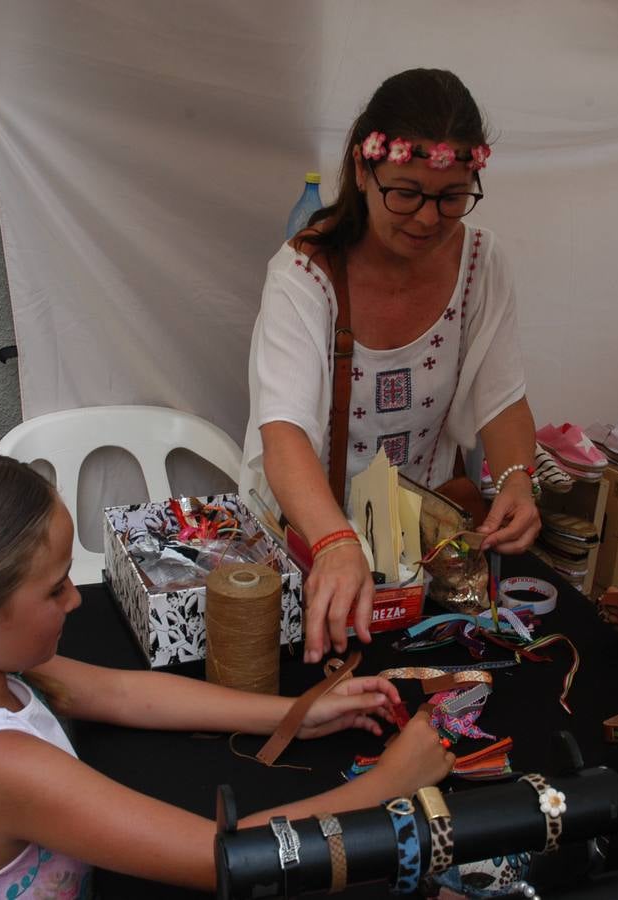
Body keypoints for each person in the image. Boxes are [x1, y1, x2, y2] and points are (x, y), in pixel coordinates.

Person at [0, 447, 453, 897]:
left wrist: (298, 712)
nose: (76, 601)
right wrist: (389, 785)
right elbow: (226, 853)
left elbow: (118, 692)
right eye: (56, 587)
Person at [242, 68, 541, 664]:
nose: (428, 218)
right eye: (405, 192)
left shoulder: (481, 261)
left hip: (416, 543)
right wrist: (334, 542)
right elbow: (285, 433)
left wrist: (516, 480)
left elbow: (501, 394)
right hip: (307, 536)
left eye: (451, 197)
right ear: (362, 169)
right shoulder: (305, 275)